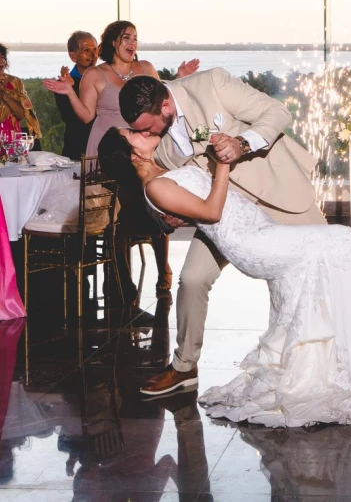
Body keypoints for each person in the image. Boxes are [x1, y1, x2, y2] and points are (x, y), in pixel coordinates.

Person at [98, 126, 351, 427]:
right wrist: (221, 163)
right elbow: (211, 213)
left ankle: (344, 366)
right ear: (133, 154)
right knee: (341, 242)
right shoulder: (156, 185)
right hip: (254, 244)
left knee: (327, 273)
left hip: (258, 232)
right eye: (131, 133)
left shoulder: (160, 177)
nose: (138, 130)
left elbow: (187, 208)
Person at [117, 70, 325, 396]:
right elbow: (159, 188)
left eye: (146, 126)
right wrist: (164, 218)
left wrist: (242, 143)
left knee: (327, 268)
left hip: (278, 192)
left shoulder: (211, 84)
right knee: (193, 278)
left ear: (166, 108)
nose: (141, 133)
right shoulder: (153, 141)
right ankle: (184, 367)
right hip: (223, 215)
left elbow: (277, 112)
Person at [42, 21, 199, 303]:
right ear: (114, 41)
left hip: (143, 150)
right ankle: (120, 279)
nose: (133, 43)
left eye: (136, 38)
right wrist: (69, 93)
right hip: (110, 153)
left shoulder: (146, 69)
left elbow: (164, 101)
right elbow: (87, 116)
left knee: (156, 206)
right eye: (127, 38)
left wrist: (179, 78)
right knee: (118, 217)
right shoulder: (95, 74)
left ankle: (163, 268)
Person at [53, 31, 98, 160]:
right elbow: (71, 118)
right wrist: (71, 88)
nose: (93, 55)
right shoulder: (63, 85)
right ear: (73, 56)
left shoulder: (103, 78)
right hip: (77, 147)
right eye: (86, 50)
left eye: (95, 49)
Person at [0, 43, 41, 145]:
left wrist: (5, 95)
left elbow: (21, 114)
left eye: (3, 57)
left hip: (12, 138)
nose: (1, 60)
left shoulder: (15, 82)